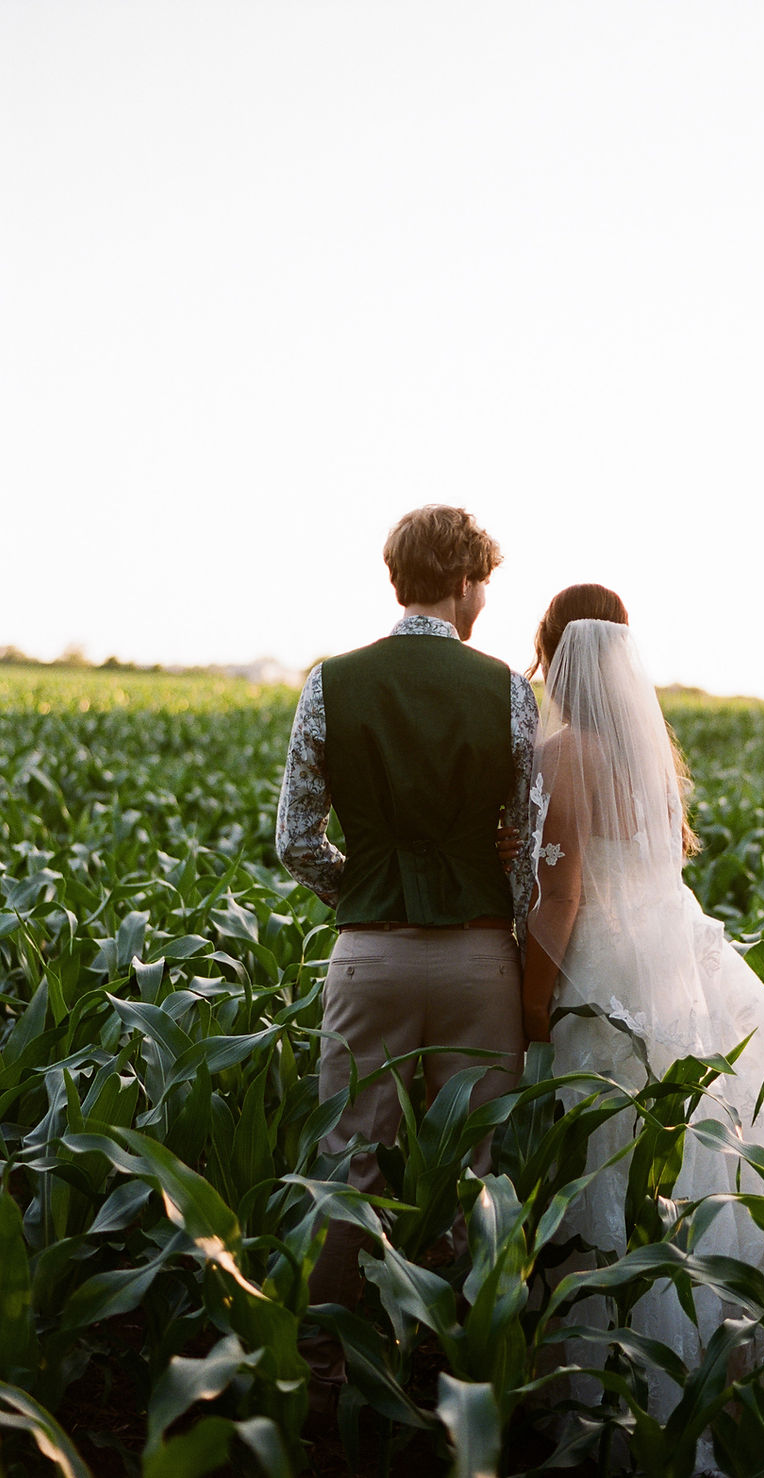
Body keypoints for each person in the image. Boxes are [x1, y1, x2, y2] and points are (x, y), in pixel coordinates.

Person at [520, 584, 764, 1458]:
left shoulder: (563, 755)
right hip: (670, 979)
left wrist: (526, 1003)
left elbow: (558, 901)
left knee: (606, 1166)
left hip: (599, 982)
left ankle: (618, 1403)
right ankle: (724, 1369)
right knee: (693, 1162)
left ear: (551, 652)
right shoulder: (649, 752)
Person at [275, 505, 537, 1373]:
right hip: (476, 952)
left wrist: (359, 889)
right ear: (465, 583)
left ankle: (322, 1353)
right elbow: (528, 849)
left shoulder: (328, 682)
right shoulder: (505, 689)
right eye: (484, 585)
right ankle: (471, 1352)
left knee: (348, 1155)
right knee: (476, 1164)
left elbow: (295, 839)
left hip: (370, 949)